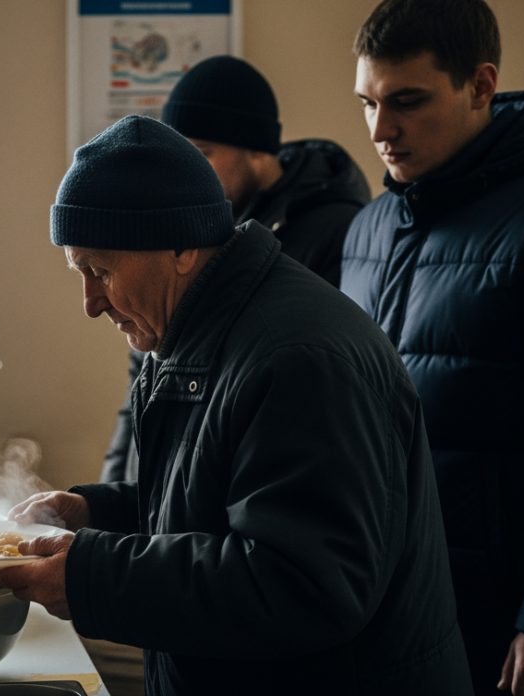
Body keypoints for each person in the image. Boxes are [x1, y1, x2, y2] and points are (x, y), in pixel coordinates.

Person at [0, 114, 472, 695]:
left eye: (101, 271)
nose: (91, 303)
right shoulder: (198, 332)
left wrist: (94, 578)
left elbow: (304, 584)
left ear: (182, 247)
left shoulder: (298, 359)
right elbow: (226, 506)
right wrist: (100, 515)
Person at [341, 2, 524, 695]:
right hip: (393, 616)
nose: (381, 130)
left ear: (480, 86)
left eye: (407, 102)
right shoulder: (369, 228)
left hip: (518, 635)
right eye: (367, 103)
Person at [100, 56, 370, 485]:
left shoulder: (333, 231)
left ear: (257, 151)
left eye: (202, 153)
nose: (183, 174)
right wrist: (108, 498)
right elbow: (143, 378)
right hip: (170, 495)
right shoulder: (197, 231)